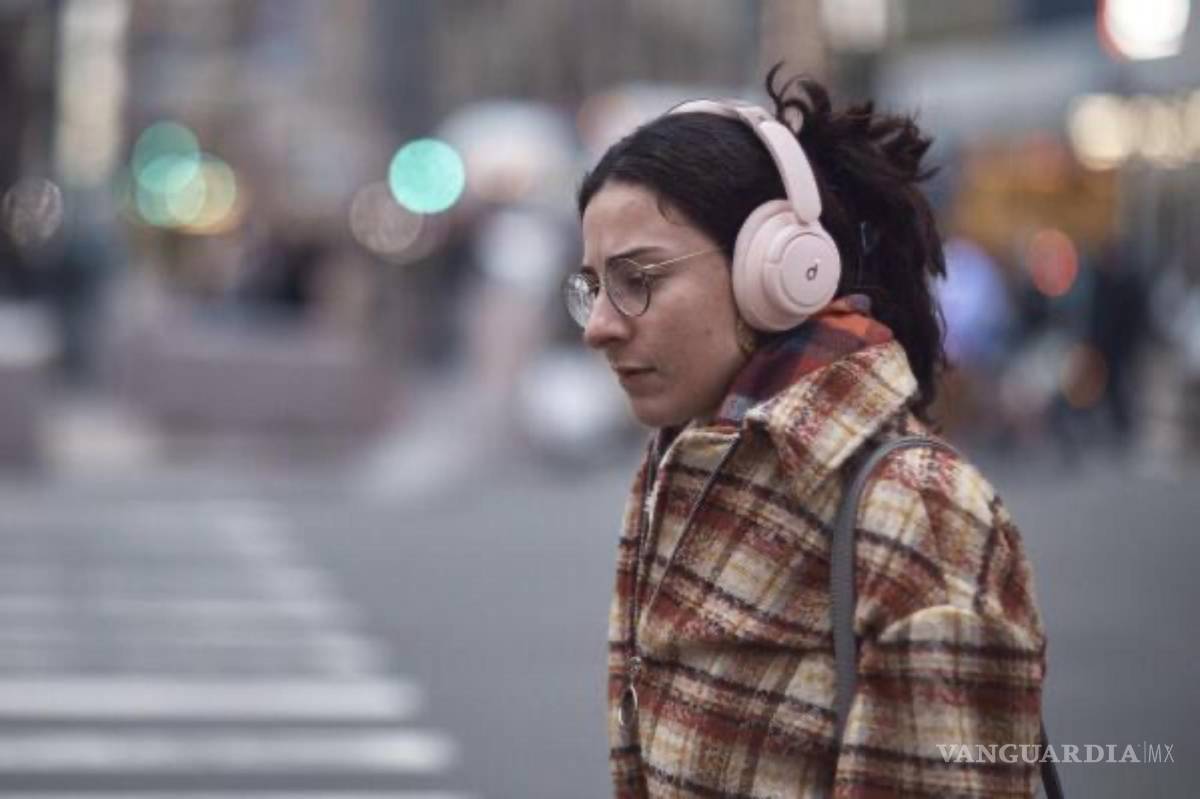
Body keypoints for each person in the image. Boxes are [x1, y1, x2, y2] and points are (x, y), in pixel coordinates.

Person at [564, 68, 1048, 797]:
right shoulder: (683, 459)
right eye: (594, 287)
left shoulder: (919, 511)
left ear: (780, 270)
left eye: (638, 279)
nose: (599, 326)